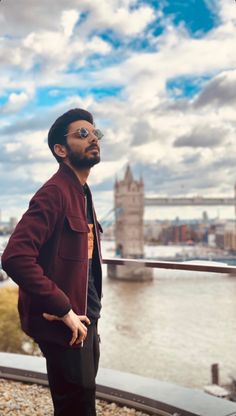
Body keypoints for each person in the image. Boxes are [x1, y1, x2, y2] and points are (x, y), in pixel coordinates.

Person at [2, 108, 103, 416]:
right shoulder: (54, 192)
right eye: (82, 134)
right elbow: (15, 257)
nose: (93, 138)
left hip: (87, 317)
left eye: (95, 133)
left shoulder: (82, 192)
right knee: (77, 405)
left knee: (82, 398)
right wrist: (63, 308)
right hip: (65, 321)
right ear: (61, 149)